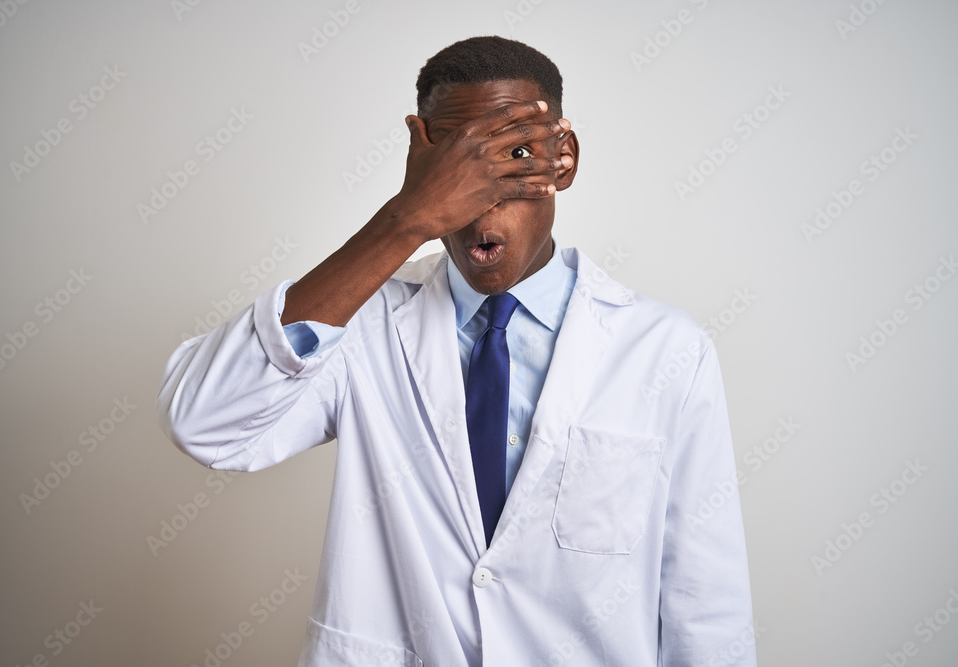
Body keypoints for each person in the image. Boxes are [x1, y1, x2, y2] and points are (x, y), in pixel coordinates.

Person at [158, 35, 756, 666]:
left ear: (564, 159)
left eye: (515, 155)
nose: (481, 199)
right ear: (421, 165)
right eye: (456, 168)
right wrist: (406, 219)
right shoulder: (361, 322)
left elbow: (704, 602)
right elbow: (205, 423)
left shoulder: (665, 350)